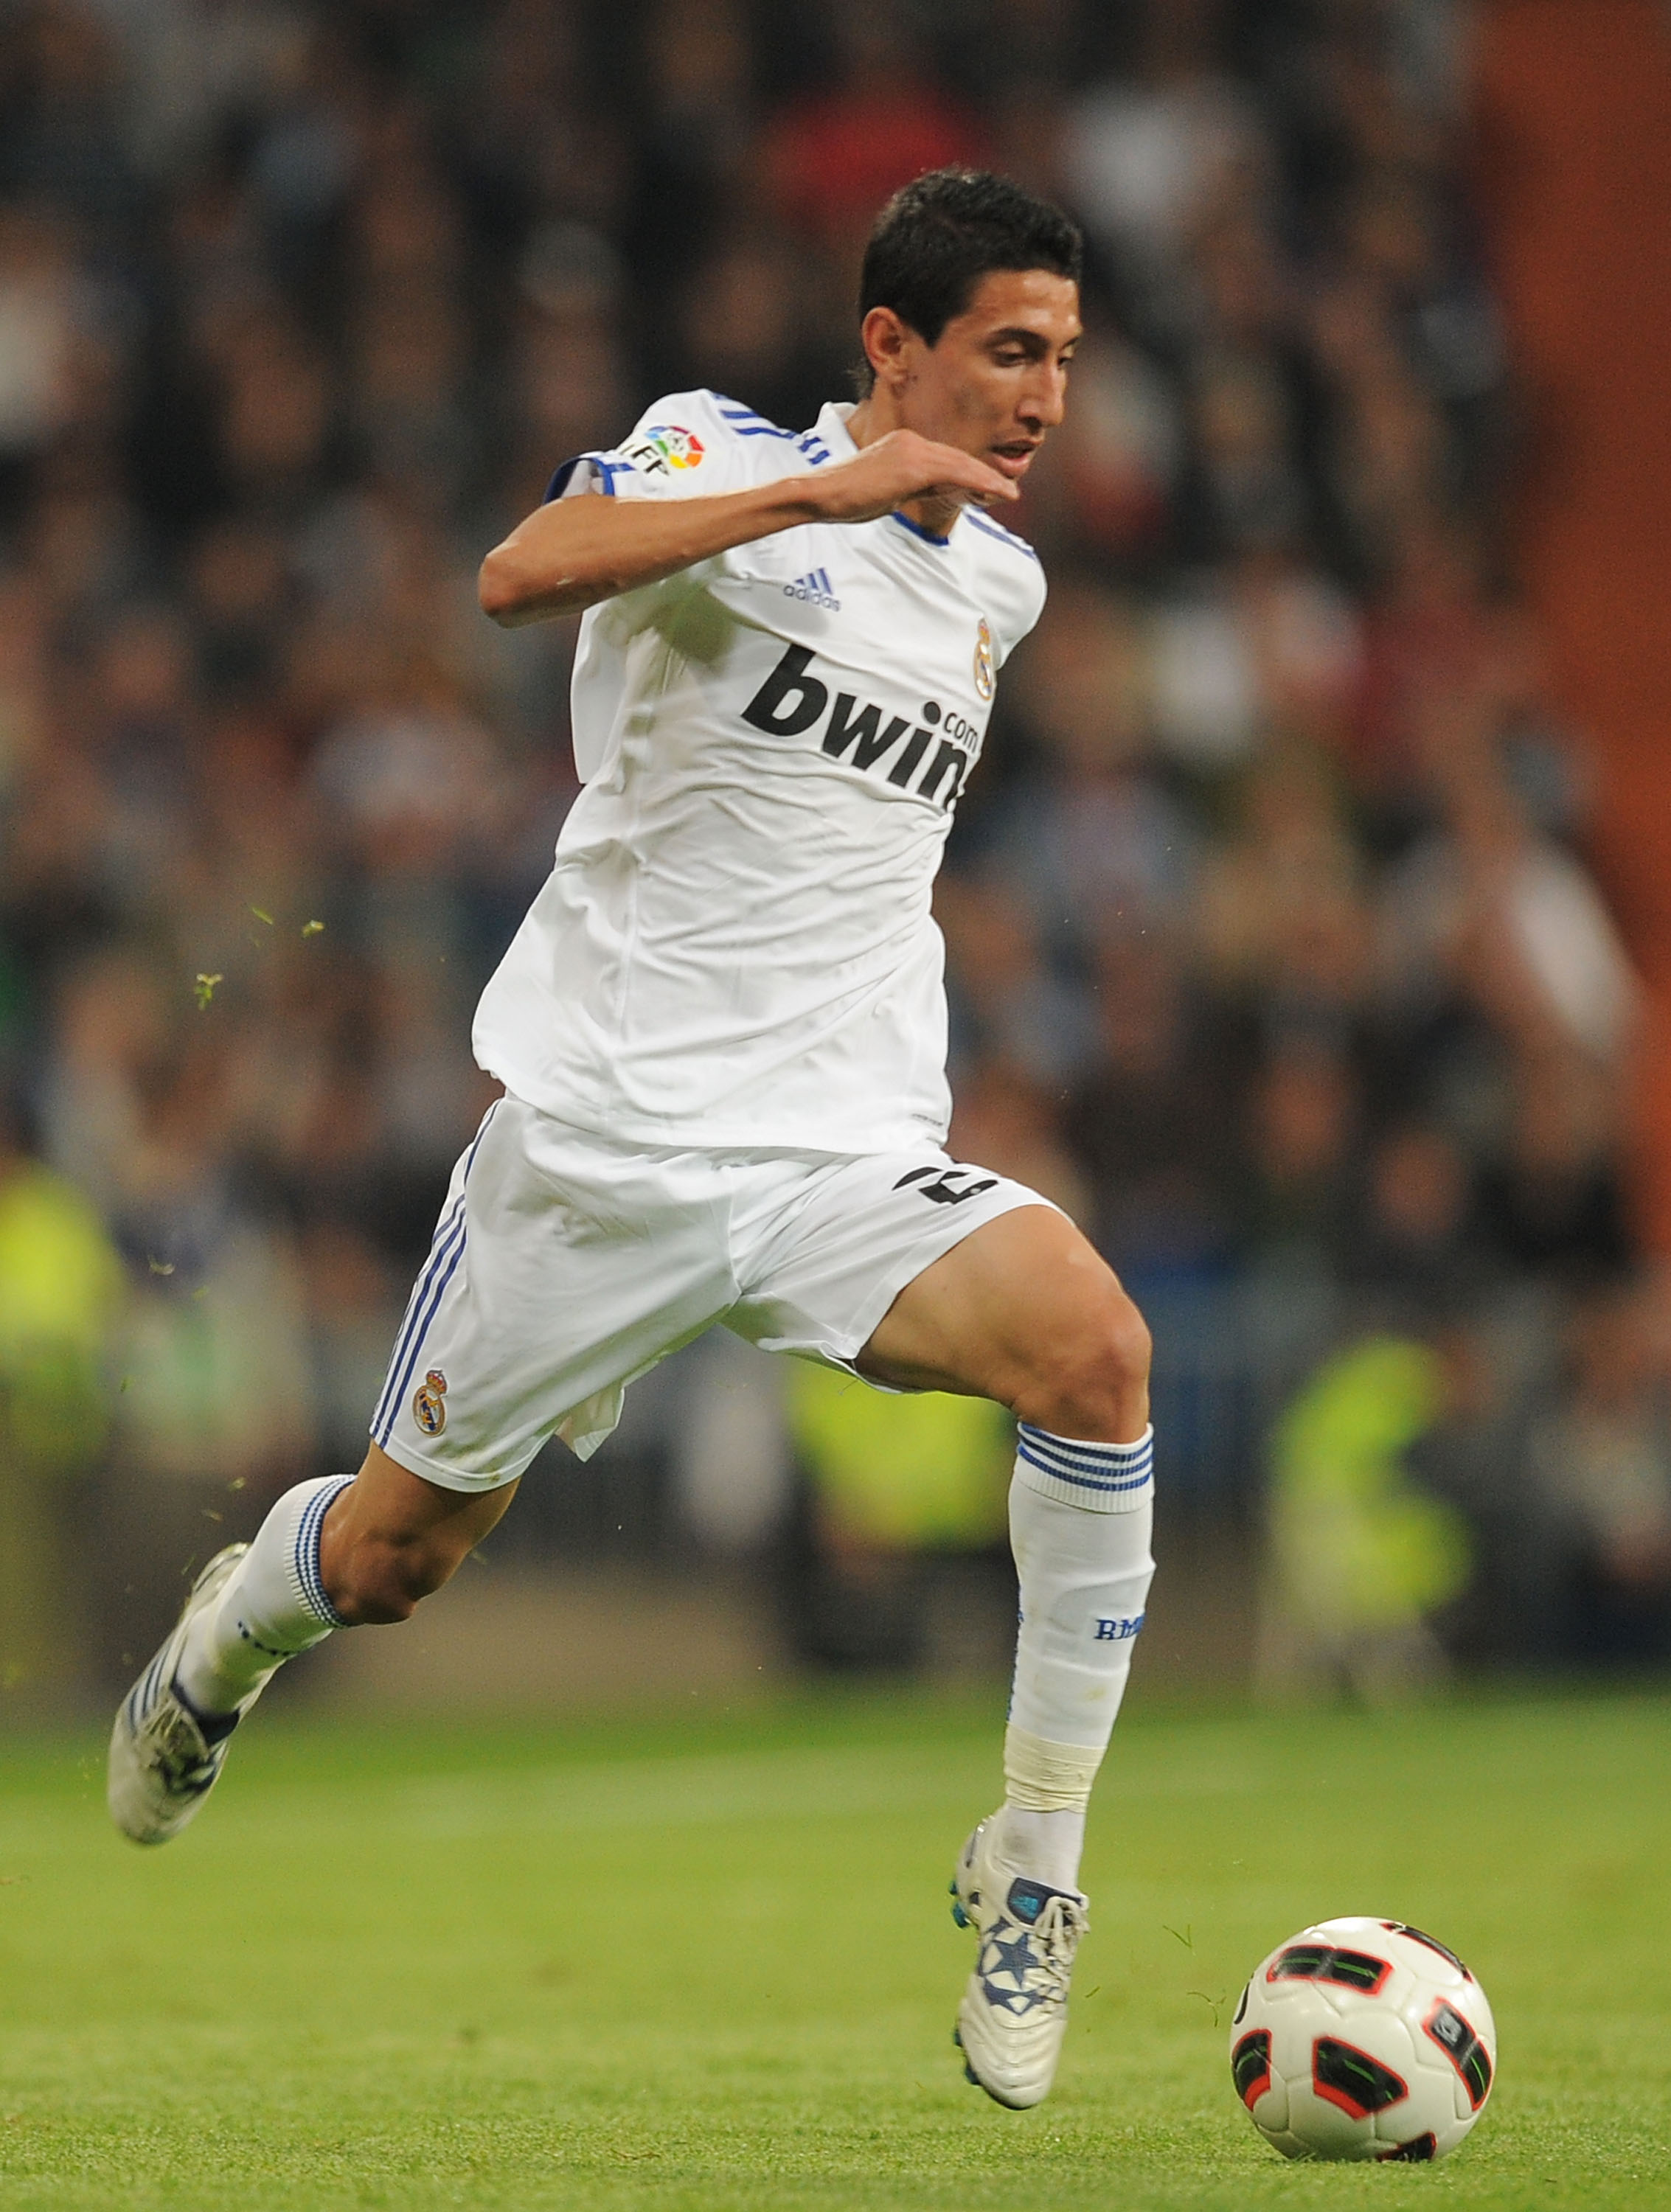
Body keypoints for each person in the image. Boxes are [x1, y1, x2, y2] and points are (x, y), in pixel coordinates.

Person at [108, 169, 1156, 2113]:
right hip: (603, 1149)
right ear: (891, 346)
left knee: (1097, 1352)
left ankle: (1034, 1859)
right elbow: (520, 573)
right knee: (393, 1560)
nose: (1044, 395)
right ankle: (223, 1649)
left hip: (837, 1153)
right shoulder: (722, 455)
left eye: (1065, 358)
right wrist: (812, 499)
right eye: (1010, 349)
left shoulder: (997, 589)